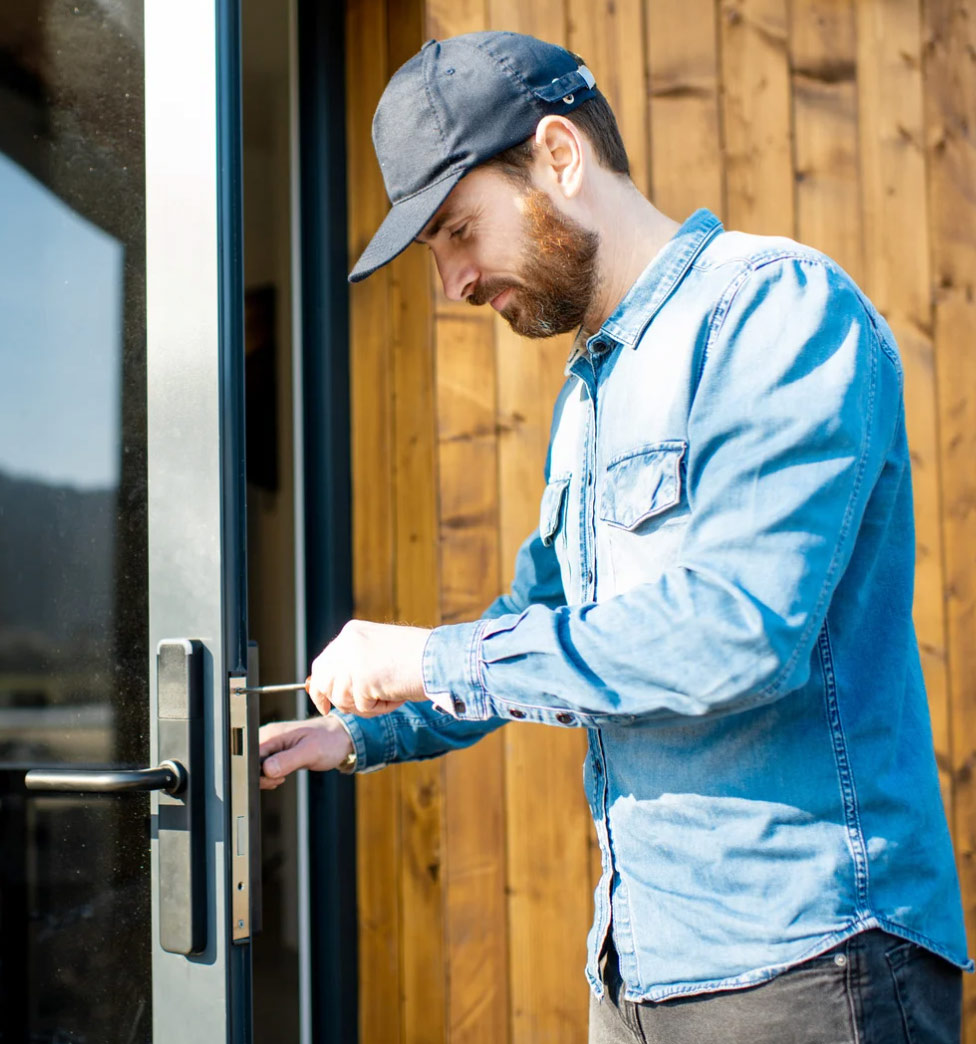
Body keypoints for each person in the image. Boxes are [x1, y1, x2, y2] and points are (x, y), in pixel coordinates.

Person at [259, 30, 970, 1043]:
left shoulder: (773, 310)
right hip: (639, 966)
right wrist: (365, 730)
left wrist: (428, 657)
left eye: (458, 231)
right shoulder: (592, 388)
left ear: (558, 156)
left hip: (811, 968)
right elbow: (540, 629)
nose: (451, 283)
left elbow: (734, 630)